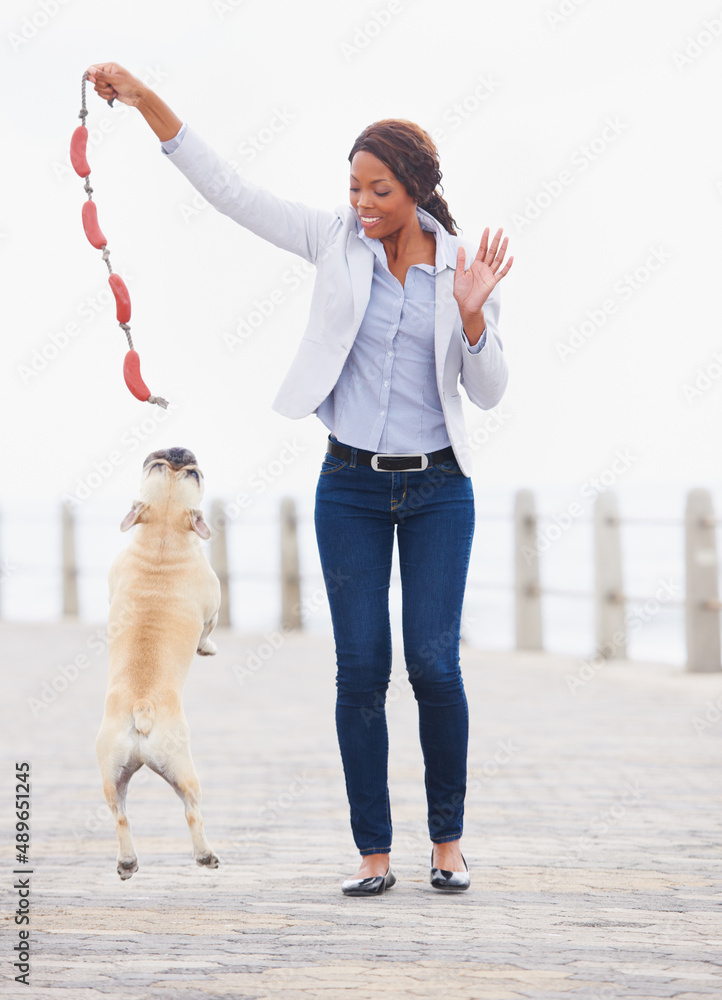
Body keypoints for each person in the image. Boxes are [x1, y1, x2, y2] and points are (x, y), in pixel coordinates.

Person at [87, 63, 513, 896]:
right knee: (361, 669)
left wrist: (471, 317)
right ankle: (375, 855)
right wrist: (143, 101)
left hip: (438, 491)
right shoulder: (334, 242)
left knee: (432, 665)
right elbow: (231, 190)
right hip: (349, 487)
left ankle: (449, 843)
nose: (361, 204)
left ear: (417, 189)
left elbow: (490, 392)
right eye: (353, 187)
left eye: (378, 190)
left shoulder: (465, 268)